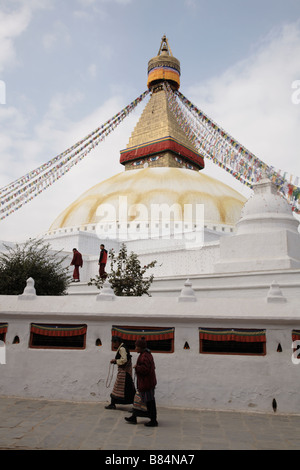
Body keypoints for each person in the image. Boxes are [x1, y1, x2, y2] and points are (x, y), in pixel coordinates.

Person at [125, 336, 158, 427]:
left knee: (149, 402)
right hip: (145, 383)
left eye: (136, 346)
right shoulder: (145, 354)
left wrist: (137, 367)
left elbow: (145, 369)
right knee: (138, 401)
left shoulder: (145, 356)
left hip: (146, 383)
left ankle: (153, 420)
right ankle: (134, 417)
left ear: (140, 347)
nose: (135, 348)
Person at [105, 336, 135, 409]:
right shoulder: (122, 347)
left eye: (114, 343)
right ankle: (113, 403)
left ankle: (136, 406)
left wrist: (115, 361)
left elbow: (124, 360)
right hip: (124, 372)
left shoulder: (122, 348)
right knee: (122, 388)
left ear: (117, 342)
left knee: (127, 388)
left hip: (124, 372)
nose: (114, 345)